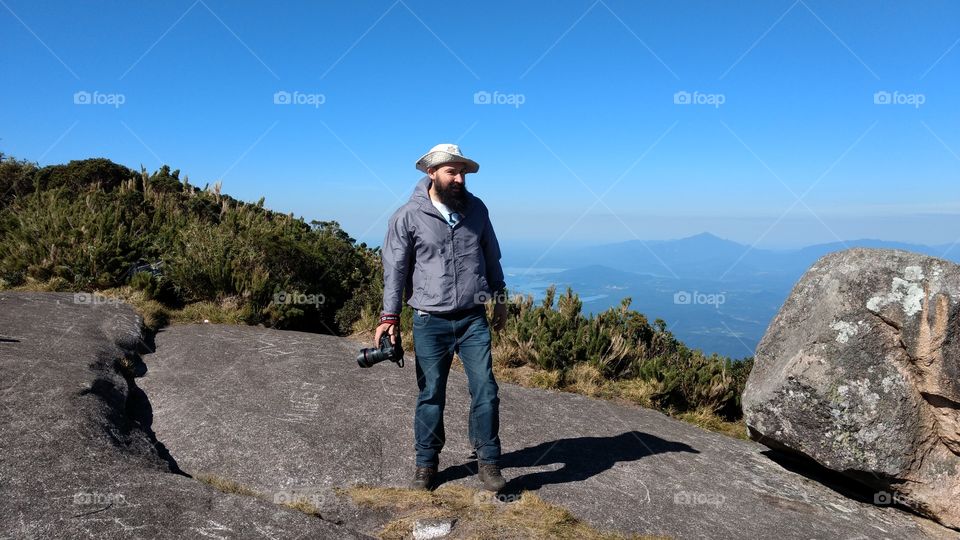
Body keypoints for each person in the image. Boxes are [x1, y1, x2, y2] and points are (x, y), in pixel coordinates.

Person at [375, 143, 508, 492]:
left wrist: (500, 299)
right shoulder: (407, 216)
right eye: (452, 172)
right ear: (431, 173)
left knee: (486, 389)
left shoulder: (477, 210)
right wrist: (389, 317)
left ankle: (489, 461)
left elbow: (491, 256)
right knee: (431, 393)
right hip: (429, 320)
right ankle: (426, 464)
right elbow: (395, 270)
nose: (460, 179)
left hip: (473, 318)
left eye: (463, 172)